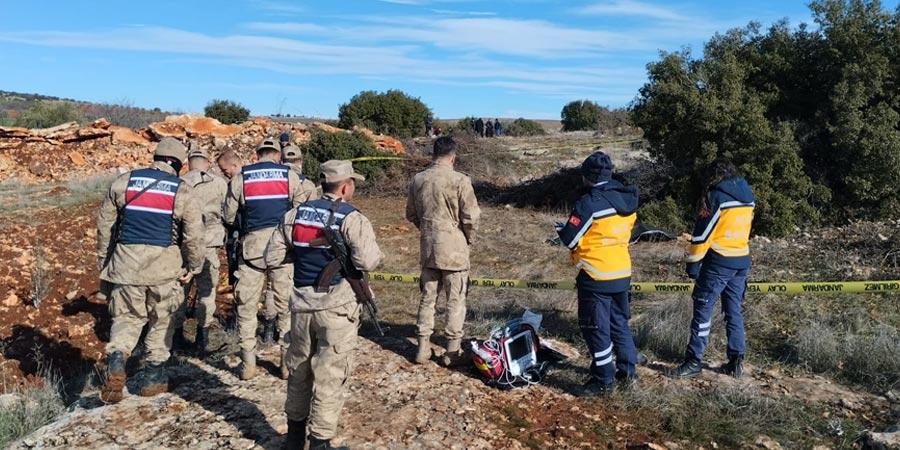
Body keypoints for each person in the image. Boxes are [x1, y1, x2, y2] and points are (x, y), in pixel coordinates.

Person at [266, 160, 383, 450]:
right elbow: (368, 261)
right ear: (345, 187)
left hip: (301, 304)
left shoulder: (294, 215)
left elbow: (272, 257)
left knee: (299, 371)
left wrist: (303, 257)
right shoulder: (351, 218)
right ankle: (320, 443)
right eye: (352, 182)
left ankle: (294, 439)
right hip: (336, 307)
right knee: (330, 376)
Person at [96, 137, 204, 403]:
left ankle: (117, 359)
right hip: (164, 269)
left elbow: (104, 229)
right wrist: (194, 266)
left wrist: (105, 264)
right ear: (180, 164)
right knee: (162, 321)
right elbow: (193, 237)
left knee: (126, 319)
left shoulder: (123, 183)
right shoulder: (183, 190)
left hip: (126, 266)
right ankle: (152, 380)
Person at [224, 138, 315, 380]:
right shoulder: (290, 176)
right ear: (277, 155)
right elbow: (299, 212)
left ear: (257, 155)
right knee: (285, 304)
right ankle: (286, 364)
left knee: (246, 306)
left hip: (251, 247)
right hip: (282, 247)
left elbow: (229, 215)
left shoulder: (242, 176)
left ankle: (248, 364)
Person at [556, 151, 639, 396]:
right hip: (622, 271)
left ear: (587, 176)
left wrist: (563, 230)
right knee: (619, 323)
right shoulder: (628, 199)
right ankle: (627, 372)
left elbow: (571, 241)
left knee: (595, 328)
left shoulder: (588, 203)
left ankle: (603, 380)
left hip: (595, 274)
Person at [670, 158, 755, 379]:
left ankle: (693, 360)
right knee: (733, 311)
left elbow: (701, 235)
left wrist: (693, 264)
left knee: (702, 310)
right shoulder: (748, 196)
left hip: (718, 262)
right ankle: (736, 361)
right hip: (742, 260)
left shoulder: (716, 197)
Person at [406, 136, 481, 366]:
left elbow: (411, 213)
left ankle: (421, 347)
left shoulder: (418, 179)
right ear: (453, 157)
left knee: (427, 298)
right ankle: (452, 351)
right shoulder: (460, 180)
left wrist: (428, 231)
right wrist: (468, 238)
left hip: (429, 248)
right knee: (455, 299)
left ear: (433, 155)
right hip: (455, 248)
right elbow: (471, 217)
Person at [173, 146, 228, 355]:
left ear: (189, 161)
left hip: (183, 247)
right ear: (207, 163)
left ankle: (177, 339)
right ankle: (202, 339)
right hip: (209, 246)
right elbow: (228, 212)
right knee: (207, 293)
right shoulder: (219, 183)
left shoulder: (179, 183)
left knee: (180, 292)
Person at [217, 149, 244, 289]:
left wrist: (228, 221)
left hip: (237, 230)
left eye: (224, 169)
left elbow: (230, 213)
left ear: (233, 166)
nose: (223, 173)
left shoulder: (237, 182)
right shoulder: (248, 178)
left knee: (235, 264)